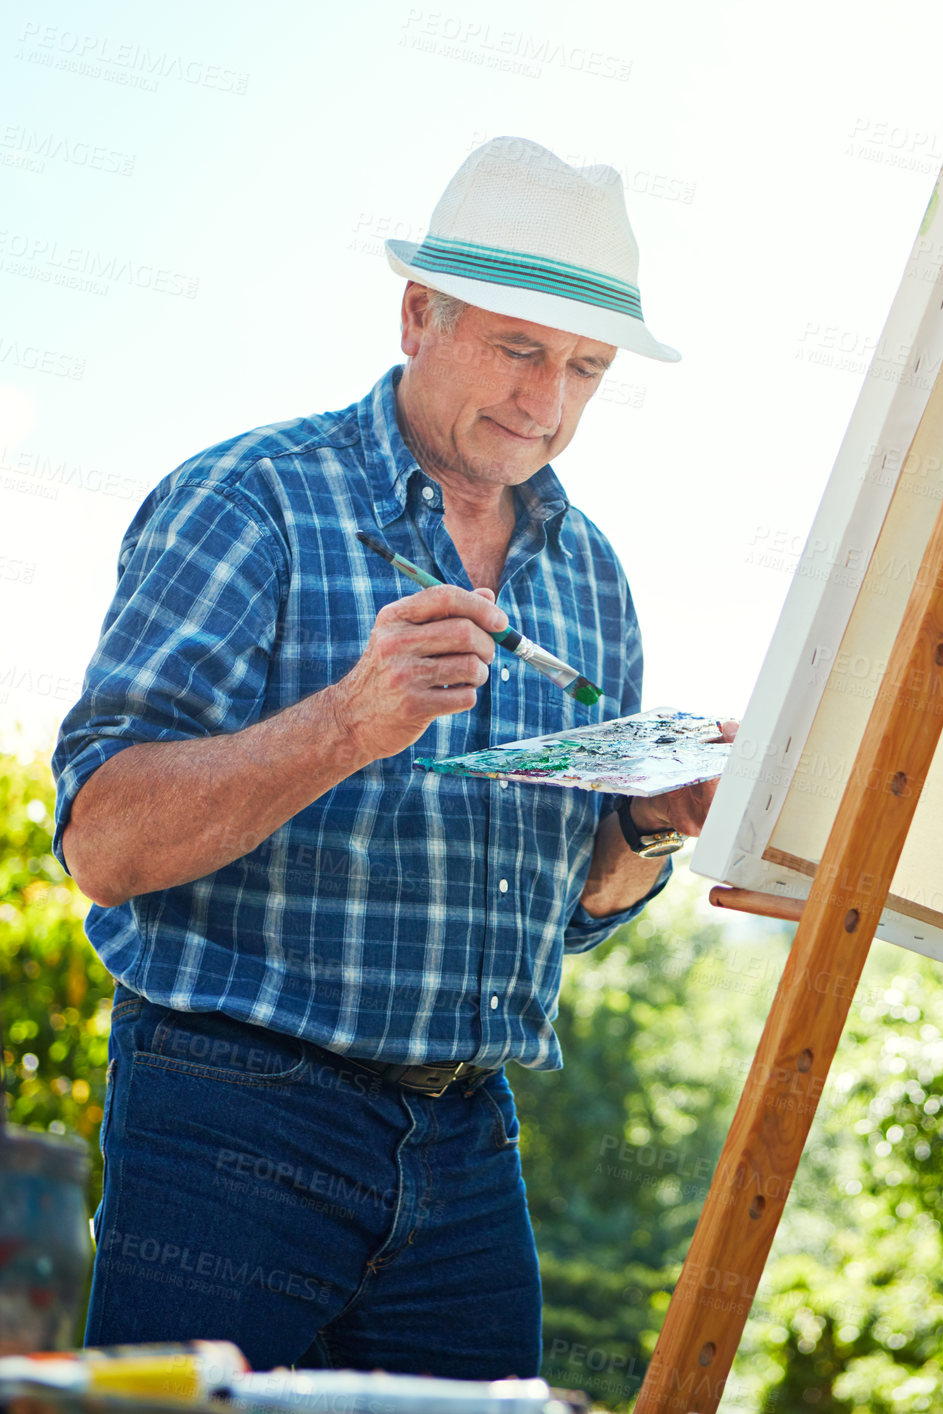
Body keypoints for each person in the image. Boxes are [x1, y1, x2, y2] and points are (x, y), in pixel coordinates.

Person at [51, 136, 723, 1378]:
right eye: (519, 348)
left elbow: (572, 912)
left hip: (470, 1146)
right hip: (229, 1117)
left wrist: (651, 824)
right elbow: (104, 840)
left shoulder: (591, 576)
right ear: (420, 312)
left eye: (585, 367)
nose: (547, 402)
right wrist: (348, 722)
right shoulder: (250, 499)